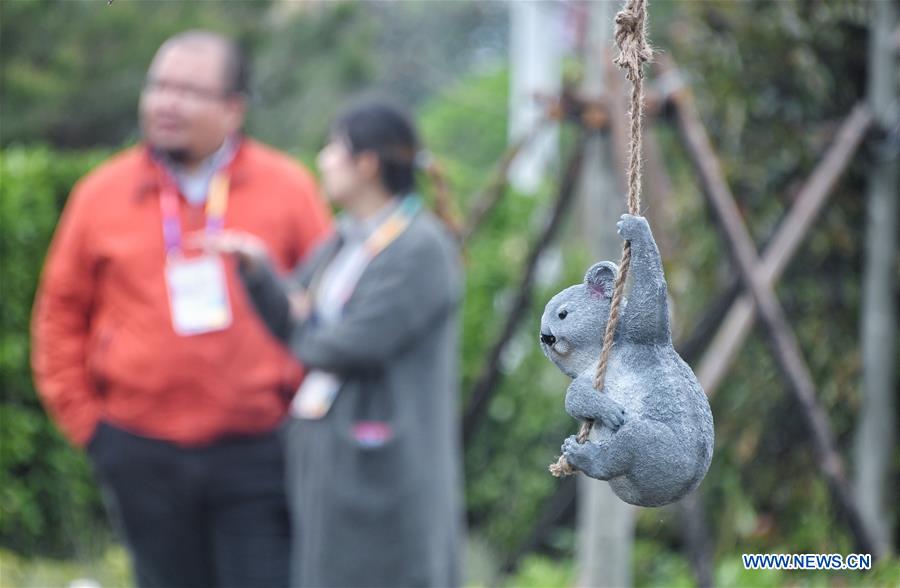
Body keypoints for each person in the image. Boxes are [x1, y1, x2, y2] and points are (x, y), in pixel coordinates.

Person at [31, 30, 333, 588]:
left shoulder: (287, 188)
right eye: (158, 87)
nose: (166, 104)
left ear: (233, 108)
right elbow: (59, 315)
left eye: (189, 91)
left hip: (259, 452)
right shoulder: (102, 192)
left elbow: (329, 307)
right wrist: (91, 428)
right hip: (140, 451)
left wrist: (302, 415)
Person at [206, 100, 464, 587]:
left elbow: (346, 345)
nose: (322, 159)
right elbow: (298, 318)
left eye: (333, 148)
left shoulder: (421, 248)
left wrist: (308, 322)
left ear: (366, 163)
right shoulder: (345, 239)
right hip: (333, 459)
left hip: (388, 465)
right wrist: (259, 271)